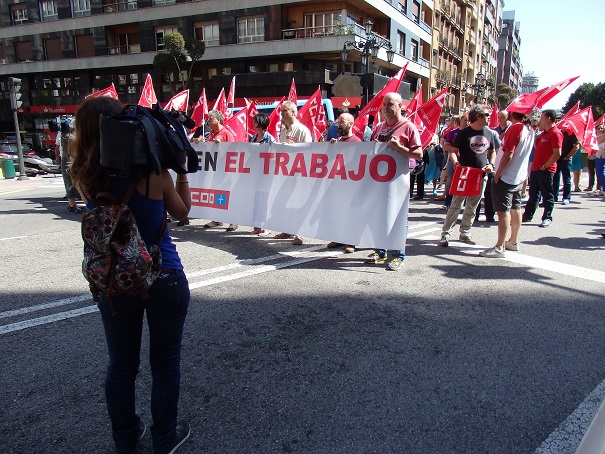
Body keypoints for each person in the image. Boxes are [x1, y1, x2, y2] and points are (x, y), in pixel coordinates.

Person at [69, 96, 192, 454]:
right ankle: (164, 438)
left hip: (115, 281)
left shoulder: (84, 174)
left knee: (121, 366)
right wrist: (181, 173)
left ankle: (126, 438)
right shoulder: (155, 171)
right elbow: (183, 213)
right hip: (164, 274)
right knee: (165, 364)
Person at [366, 92, 422, 271]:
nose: (386, 108)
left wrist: (399, 148)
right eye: (384, 104)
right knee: (378, 215)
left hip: (399, 181)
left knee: (398, 217)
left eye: (390, 104)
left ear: (400, 107)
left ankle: (398, 255)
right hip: (379, 180)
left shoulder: (408, 127)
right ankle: (380, 251)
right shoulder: (380, 127)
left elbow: (418, 154)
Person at [438, 105, 496, 247]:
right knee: (456, 204)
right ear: (478, 116)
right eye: (487, 115)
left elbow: (493, 151)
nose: (489, 117)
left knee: (472, 206)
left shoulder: (490, 133)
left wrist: (491, 164)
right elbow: (453, 150)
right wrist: (455, 162)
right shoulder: (464, 133)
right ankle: (446, 234)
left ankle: (465, 232)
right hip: (464, 174)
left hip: (480, 175)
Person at [480, 110, 534, 258]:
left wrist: (497, 174)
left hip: (507, 176)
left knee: (503, 212)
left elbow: (508, 154)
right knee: (515, 208)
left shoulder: (516, 128)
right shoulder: (529, 128)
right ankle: (513, 241)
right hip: (518, 175)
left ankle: (500, 246)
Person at [274, 101, 312, 245]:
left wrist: (291, 148)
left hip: (299, 173)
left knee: (298, 202)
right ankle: (287, 229)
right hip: (285, 173)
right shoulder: (283, 131)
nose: (282, 113)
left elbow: (308, 150)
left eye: (284, 111)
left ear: (293, 112)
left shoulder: (303, 130)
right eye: (281, 111)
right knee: (285, 200)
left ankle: (300, 233)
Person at [326, 112, 361, 253]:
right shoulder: (337, 141)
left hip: (351, 184)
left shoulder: (357, 142)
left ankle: (352, 241)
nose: (338, 125)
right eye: (338, 122)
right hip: (338, 183)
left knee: (351, 213)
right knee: (338, 211)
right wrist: (332, 148)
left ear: (351, 124)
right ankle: (339, 237)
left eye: (342, 122)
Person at [522, 109, 563, 227]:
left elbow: (557, 152)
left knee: (547, 194)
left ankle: (547, 217)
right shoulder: (543, 133)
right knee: (533, 194)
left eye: (542, 117)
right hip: (536, 168)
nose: (540, 120)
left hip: (545, 169)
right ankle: (528, 215)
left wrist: (546, 166)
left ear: (548, 118)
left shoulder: (555, 133)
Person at [202, 110, 238, 231]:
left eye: (211, 119)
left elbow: (233, 151)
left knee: (230, 195)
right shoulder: (210, 134)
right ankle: (217, 219)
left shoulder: (226, 134)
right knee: (217, 194)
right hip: (215, 170)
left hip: (226, 170)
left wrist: (222, 145)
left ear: (218, 119)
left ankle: (234, 221)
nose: (208, 121)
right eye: (208, 119)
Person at [249, 112, 275, 236]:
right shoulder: (253, 138)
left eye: (256, 121)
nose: (254, 123)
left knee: (265, 200)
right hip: (256, 172)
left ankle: (266, 227)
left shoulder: (270, 138)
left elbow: (274, 154)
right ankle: (257, 226)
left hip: (266, 173)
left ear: (261, 123)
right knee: (257, 199)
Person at [55, 118, 84, 213]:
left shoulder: (64, 135)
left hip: (68, 164)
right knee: (75, 186)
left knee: (70, 185)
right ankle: (73, 206)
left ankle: (73, 206)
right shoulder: (72, 136)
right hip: (72, 164)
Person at [552, 131, 580, 205]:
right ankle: (554, 196)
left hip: (566, 159)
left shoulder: (571, 133)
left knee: (566, 178)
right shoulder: (558, 132)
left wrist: (568, 156)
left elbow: (576, 146)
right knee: (555, 177)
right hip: (557, 158)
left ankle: (566, 197)